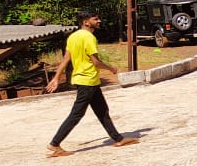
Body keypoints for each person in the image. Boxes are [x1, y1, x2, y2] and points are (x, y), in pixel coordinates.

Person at [44, 9, 139, 156]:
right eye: (95, 19)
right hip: (87, 80)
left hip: (87, 80)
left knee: (102, 110)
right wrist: (111, 69)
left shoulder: (73, 37)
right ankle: (54, 144)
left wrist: (56, 77)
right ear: (86, 22)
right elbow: (95, 62)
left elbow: (66, 59)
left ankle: (118, 139)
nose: (99, 21)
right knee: (77, 114)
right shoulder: (89, 37)